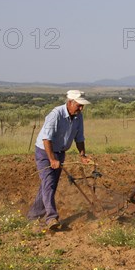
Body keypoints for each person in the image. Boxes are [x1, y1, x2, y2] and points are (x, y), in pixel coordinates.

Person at [28, 90, 92, 230]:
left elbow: (79, 137)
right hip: (45, 152)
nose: (81, 109)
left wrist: (82, 156)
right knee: (48, 183)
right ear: (70, 102)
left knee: (49, 185)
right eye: (79, 105)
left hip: (60, 152)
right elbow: (46, 139)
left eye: (82, 106)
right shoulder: (55, 115)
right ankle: (51, 218)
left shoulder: (78, 117)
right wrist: (52, 159)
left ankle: (33, 215)